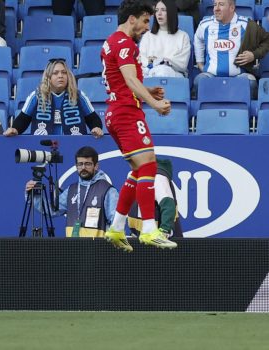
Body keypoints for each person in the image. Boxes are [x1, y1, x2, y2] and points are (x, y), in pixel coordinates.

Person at [100, 0, 177, 252]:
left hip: (115, 112)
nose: (147, 28)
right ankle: (148, 229)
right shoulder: (126, 44)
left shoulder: (111, 41)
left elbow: (123, 79)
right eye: (145, 21)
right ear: (132, 18)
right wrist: (154, 104)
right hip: (126, 113)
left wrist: (148, 91)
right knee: (150, 165)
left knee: (137, 170)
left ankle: (116, 226)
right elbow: (130, 79)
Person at [26, 146, 118, 237]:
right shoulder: (71, 190)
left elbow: (116, 223)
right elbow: (51, 211)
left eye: (88, 164)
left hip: (98, 249)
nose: (83, 167)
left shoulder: (108, 190)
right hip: (73, 248)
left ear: (96, 166)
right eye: (80, 164)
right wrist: (33, 194)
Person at [4, 58, 103, 137]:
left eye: (64, 73)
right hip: (43, 148)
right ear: (48, 77)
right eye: (55, 73)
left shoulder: (79, 96)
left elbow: (93, 119)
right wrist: (15, 129)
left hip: (74, 147)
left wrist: (96, 128)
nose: (61, 76)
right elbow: (23, 119)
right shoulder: (36, 96)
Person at [194, 0, 269, 98]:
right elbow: (198, 39)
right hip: (211, 76)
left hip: (239, 76)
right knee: (198, 82)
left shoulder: (246, 24)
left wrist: (254, 55)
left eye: (221, 4)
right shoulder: (205, 24)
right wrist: (200, 62)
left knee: (250, 83)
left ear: (232, 8)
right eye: (215, 4)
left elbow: (267, 40)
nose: (216, 9)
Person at [127, 157, 183, 238]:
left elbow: (168, 205)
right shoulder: (134, 176)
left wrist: (163, 233)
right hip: (143, 241)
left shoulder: (157, 178)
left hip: (163, 246)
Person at [140, 0, 191, 78]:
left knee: (163, 71)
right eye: (156, 10)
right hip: (150, 74)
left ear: (171, 12)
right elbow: (142, 61)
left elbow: (182, 65)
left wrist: (162, 61)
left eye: (163, 10)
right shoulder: (147, 36)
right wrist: (161, 62)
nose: (159, 13)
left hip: (175, 75)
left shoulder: (183, 36)